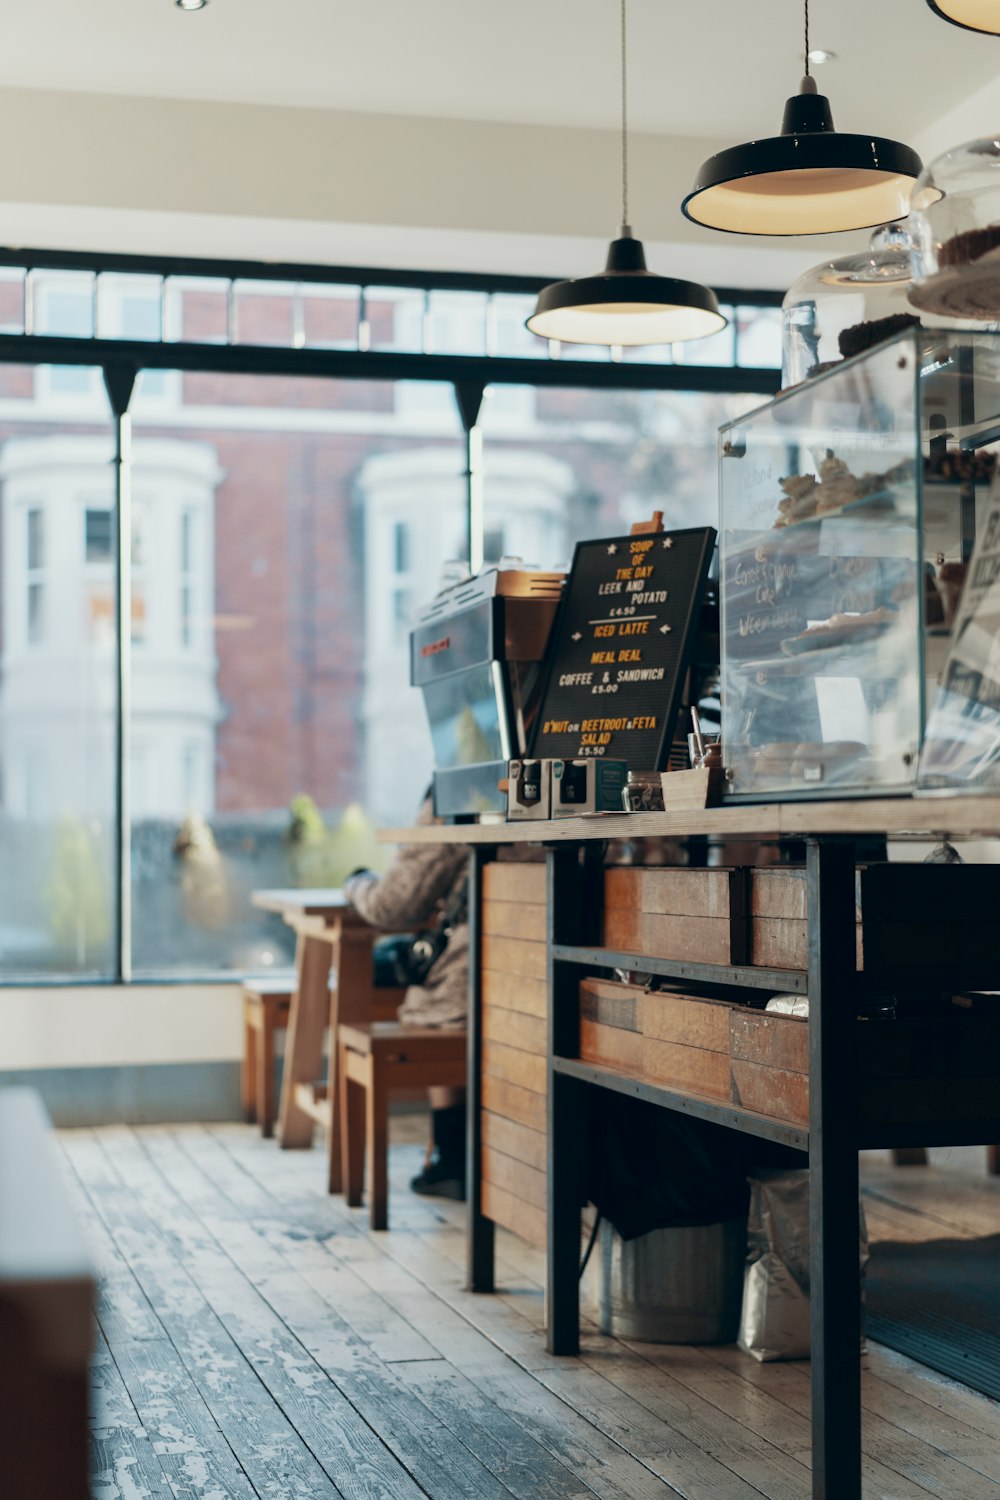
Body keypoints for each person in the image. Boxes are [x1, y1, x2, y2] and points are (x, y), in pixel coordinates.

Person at [343, 796, 468, 1200]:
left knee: (434, 996)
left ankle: (452, 1157)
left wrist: (356, 881)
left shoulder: (460, 793)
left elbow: (391, 905)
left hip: (473, 993)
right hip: (556, 984)